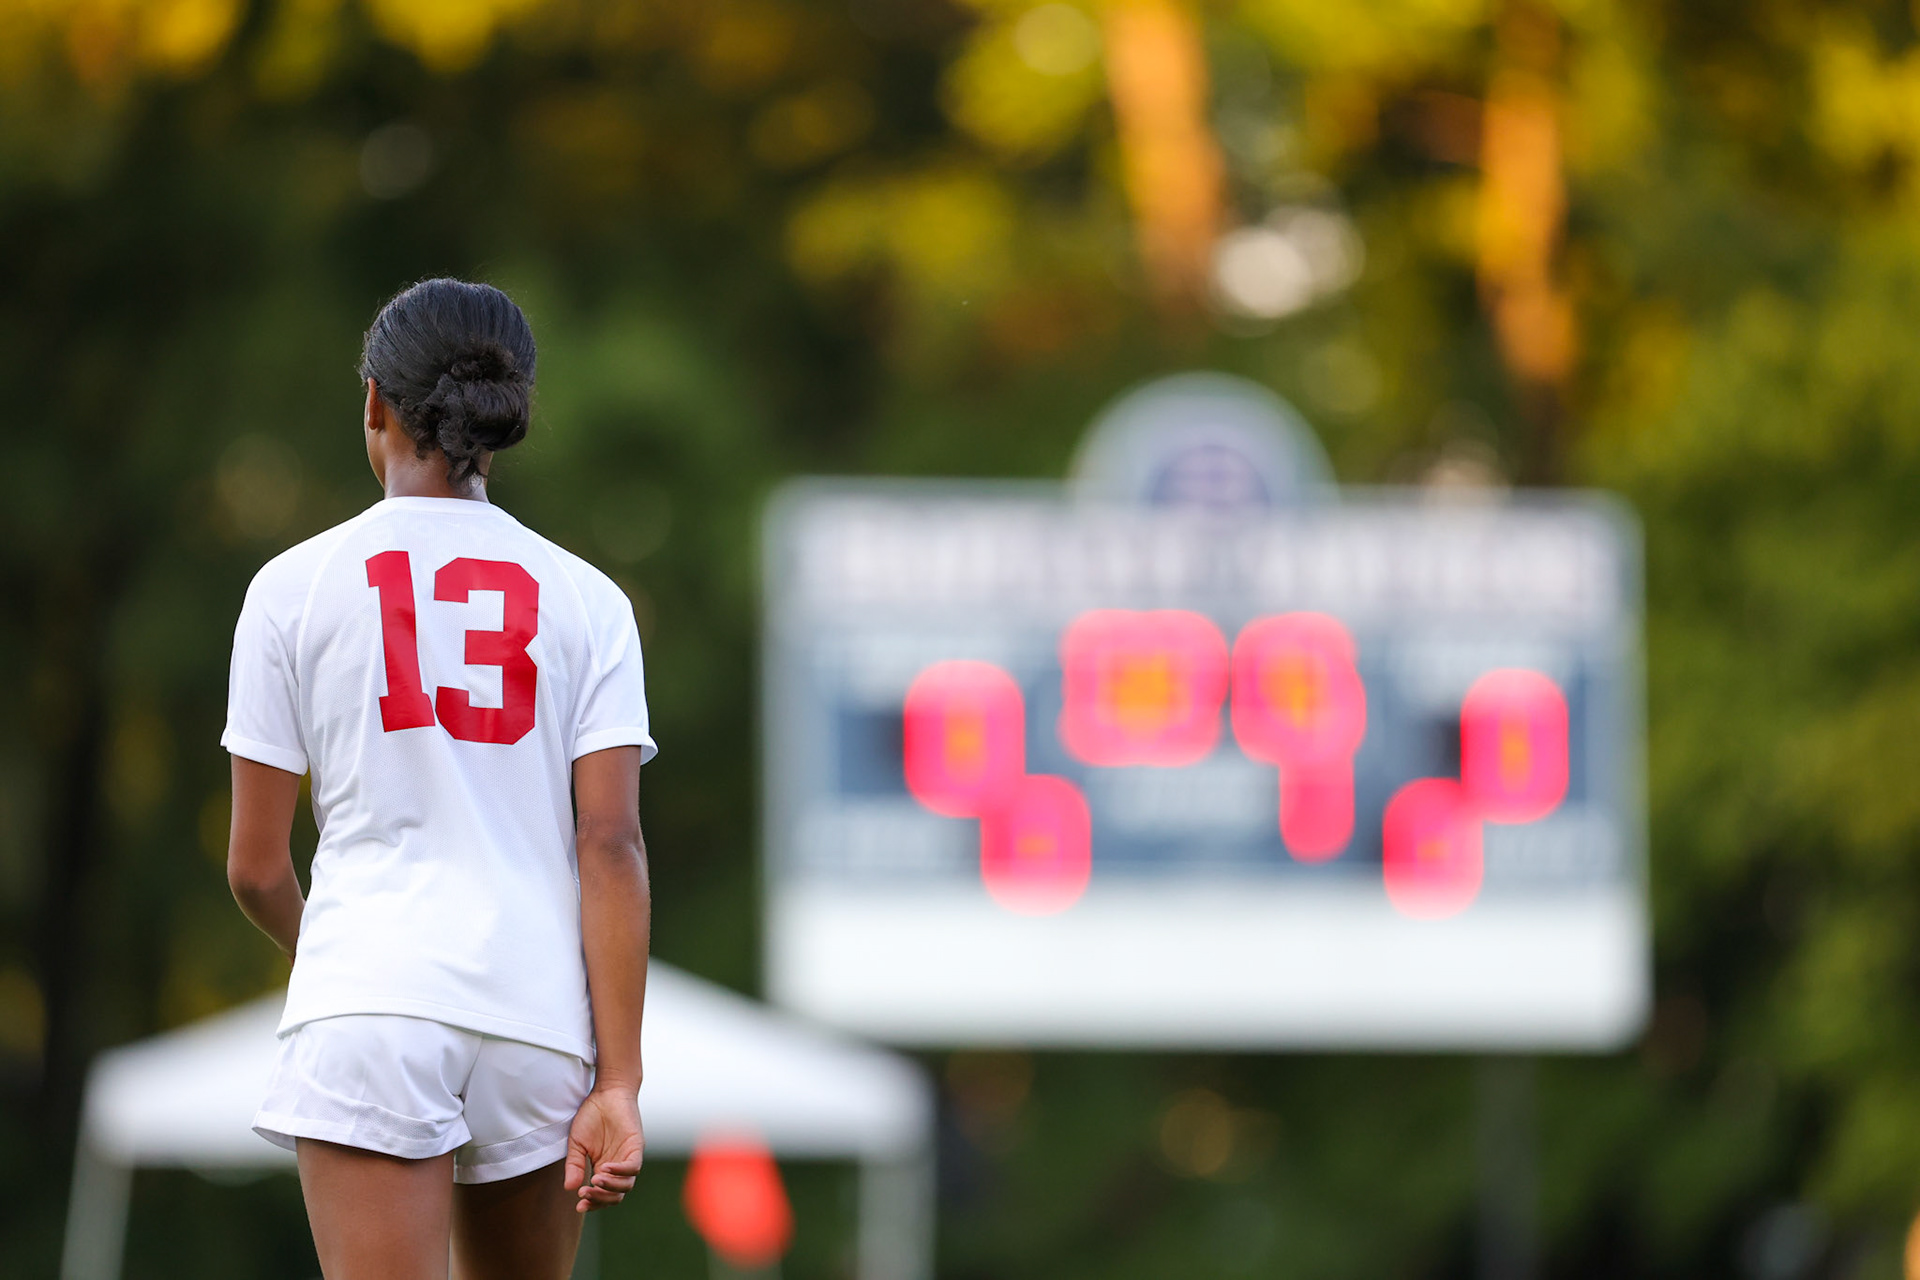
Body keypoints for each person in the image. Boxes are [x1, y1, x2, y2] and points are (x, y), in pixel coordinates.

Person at [222, 278, 654, 1279]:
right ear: (506, 416)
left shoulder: (290, 587)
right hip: (537, 1013)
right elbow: (611, 840)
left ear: (375, 401)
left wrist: (345, 967)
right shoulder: (590, 600)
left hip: (369, 999)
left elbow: (254, 866)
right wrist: (621, 1078)